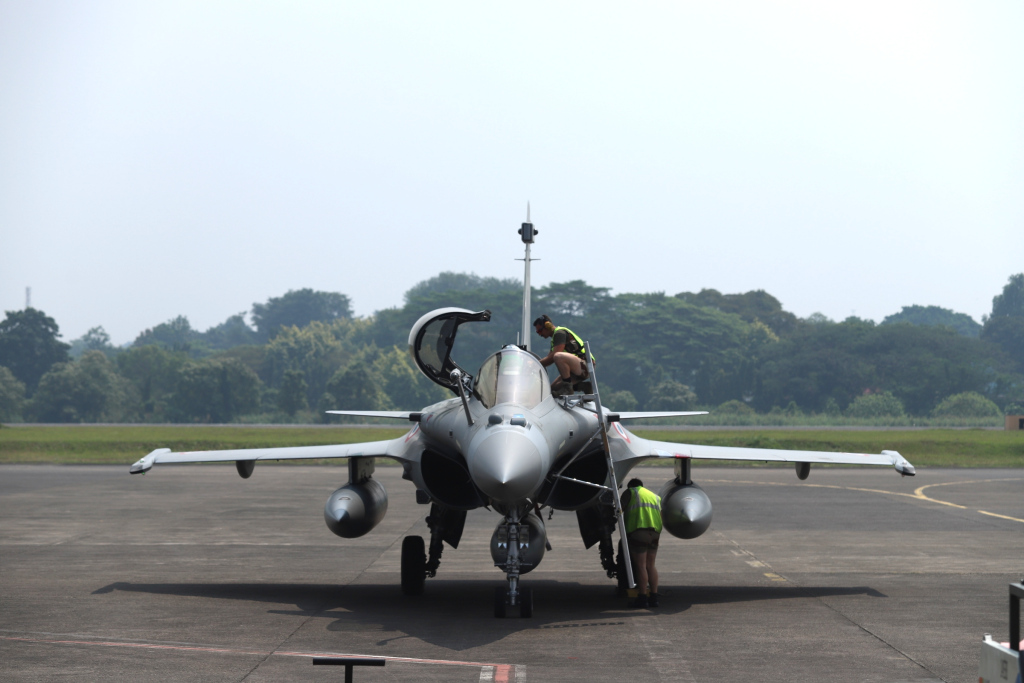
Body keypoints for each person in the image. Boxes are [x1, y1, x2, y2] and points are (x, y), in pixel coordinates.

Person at [621, 477, 662, 608]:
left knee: (641, 566)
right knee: (651, 565)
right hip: (654, 533)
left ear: (631, 486)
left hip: (639, 532)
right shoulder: (655, 496)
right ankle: (654, 598)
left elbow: (618, 510)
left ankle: (642, 597)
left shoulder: (631, 492)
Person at [533, 315, 592, 396]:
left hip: (585, 366)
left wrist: (534, 363)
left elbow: (553, 357)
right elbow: (548, 359)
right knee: (552, 390)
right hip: (577, 368)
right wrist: (534, 365)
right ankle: (585, 386)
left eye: (540, 331)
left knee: (558, 356)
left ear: (547, 326)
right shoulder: (554, 339)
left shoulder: (559, 333)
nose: (540, 334)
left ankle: (568, 389)